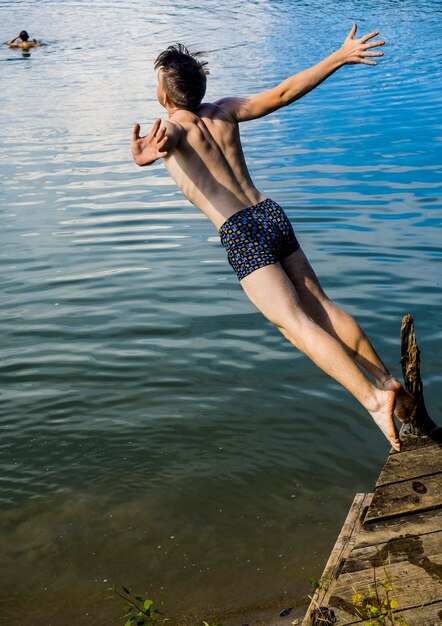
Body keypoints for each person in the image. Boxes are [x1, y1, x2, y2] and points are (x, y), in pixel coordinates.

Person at [131, 24, 416, 452]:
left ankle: (375, 400)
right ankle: (386, 379)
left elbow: (167, 138)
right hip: (270, 214)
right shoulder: (223, 110)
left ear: (165, 96)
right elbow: (284, 92)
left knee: (295, 324)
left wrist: (144, 155)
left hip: (241, 232)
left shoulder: (173, 129)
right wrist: (338, 57)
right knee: (322, 306)